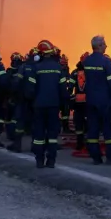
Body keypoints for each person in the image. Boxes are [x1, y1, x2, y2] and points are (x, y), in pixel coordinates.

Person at [25, 40, 70, 168]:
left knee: (38, 134)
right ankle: (51, 161)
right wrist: (64, 104)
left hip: (38, 107)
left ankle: (39, 160)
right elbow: (63, 90)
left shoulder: (36, 68)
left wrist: (31, 102)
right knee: (52, 135)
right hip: (53, 106)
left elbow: (30, 90)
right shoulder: (58, 68)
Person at [83, 35, 111, 165]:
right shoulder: (106, 62)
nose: (106, 46)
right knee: (108, 130)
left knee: (92, 129)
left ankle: (96, 157)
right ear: (99, 46)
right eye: (104, 44)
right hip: (104, 101)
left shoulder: (87, 61)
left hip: (90, 101)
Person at [3, 52, 25, 151]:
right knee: (15, 118)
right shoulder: (22, 70)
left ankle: (11, 135)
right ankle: (13, 136)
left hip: (10, 97)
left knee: (10, 118)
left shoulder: (9, 71)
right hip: (16, 97)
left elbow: (5, 84)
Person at [70, 52, 90, 155]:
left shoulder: (74, 72)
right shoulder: (91, 72)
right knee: (89, 123)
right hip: (88, 101)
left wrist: (70, 99)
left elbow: (70, 87)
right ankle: (88, 143)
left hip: (77, 102)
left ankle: (79, 143)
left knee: (78, 123)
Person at [60, 52, 74, 135]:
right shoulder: (60, 71)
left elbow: (70, 82)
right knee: (63, 112)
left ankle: (65, 127)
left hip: (65, 95)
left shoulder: (66, 71)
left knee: (65, 112)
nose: (65, 65)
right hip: (60, 95)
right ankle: (62, 127)